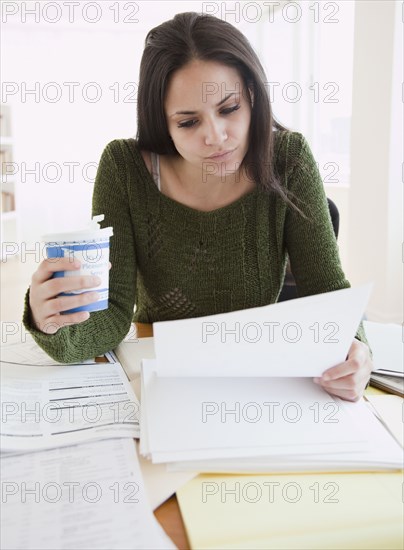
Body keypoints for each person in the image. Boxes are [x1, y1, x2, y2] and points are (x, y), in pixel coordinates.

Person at [23, 12, 372, 401]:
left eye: (229, 108)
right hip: (160, 370)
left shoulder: (289, 158)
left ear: (253, 96)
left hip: (257, 371)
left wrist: (356, 348)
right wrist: (51, 323)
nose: (216, 137)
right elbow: (114, 312)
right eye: (188, 122)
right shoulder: (124, 168)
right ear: (162, 122)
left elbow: (327, 291)